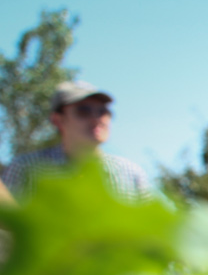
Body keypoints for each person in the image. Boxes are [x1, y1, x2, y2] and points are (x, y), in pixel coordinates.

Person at [3, 81, 153, 201]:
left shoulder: (131, 173)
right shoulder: (25, 169)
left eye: (103, 112)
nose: (96, 119)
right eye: (84, 111)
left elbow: (151, 233)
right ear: (58, 120)